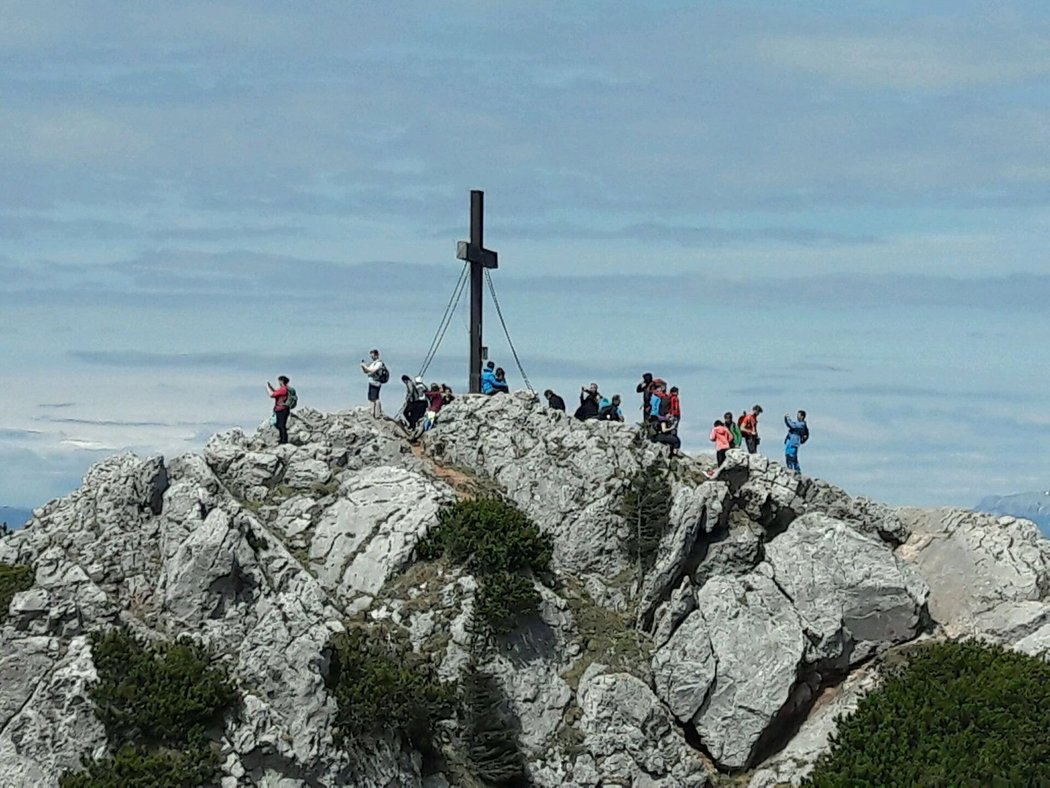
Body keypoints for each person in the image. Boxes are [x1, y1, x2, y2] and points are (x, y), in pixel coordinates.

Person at [361, 349, 387, 417]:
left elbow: (372, 370)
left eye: (373, 355)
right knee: (371, 398)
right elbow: (367, 371)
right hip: (371, 382)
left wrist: (365, 367)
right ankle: (374, 412)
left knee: (375, 399)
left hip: (376, 383)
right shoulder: (373, 363)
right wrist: (363, 367)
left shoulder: (379, 363)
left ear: (376, 355)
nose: (372, 357)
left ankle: (377, 413)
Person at [266, 375, 291, 445]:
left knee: (281, 425)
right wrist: (271, 388)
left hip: (281, 409)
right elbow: (276, 392)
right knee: (280, 425)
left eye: (279, 381)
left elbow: (272, 395)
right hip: (283, 409)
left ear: (281, 381)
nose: (278, 382)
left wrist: (267, 388)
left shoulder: (283, 389)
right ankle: (282, 439)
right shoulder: (285, 389)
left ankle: (283, 441)